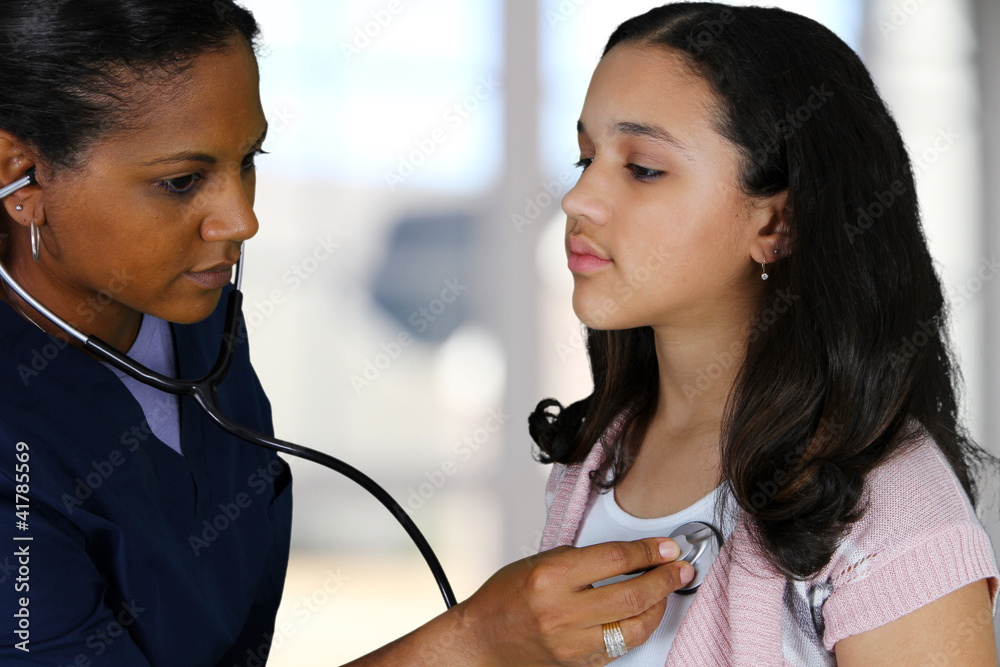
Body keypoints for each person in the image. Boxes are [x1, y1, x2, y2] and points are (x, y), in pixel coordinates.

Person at [0, 1, 692, 665]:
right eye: (182, 181)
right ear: (19, 174)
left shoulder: (193, 322)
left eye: (248, 160)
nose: (241, 220)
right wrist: (475, 642)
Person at [529, 3, 1000, 665]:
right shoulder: (592, 459)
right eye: (585, 158)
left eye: (643, 168)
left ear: (777, 226)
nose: (577, 200)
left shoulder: (896, 512)